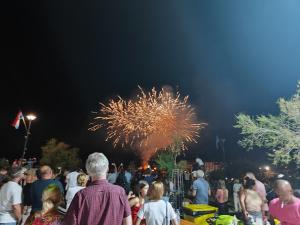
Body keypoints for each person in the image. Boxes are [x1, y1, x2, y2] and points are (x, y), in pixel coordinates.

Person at [64, 152, 132, 225]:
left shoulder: (81, 195)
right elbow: (128, 222)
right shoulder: (120, 192)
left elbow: (70, 222)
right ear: (107, 168)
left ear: (88, 171)